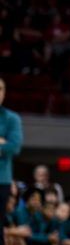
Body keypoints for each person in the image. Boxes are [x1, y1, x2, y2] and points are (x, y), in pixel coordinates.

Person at [0, 79, 21, 228]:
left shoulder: (12, 118)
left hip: (2, 180)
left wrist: (5, 145)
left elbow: (14, 147)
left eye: (0, 89)